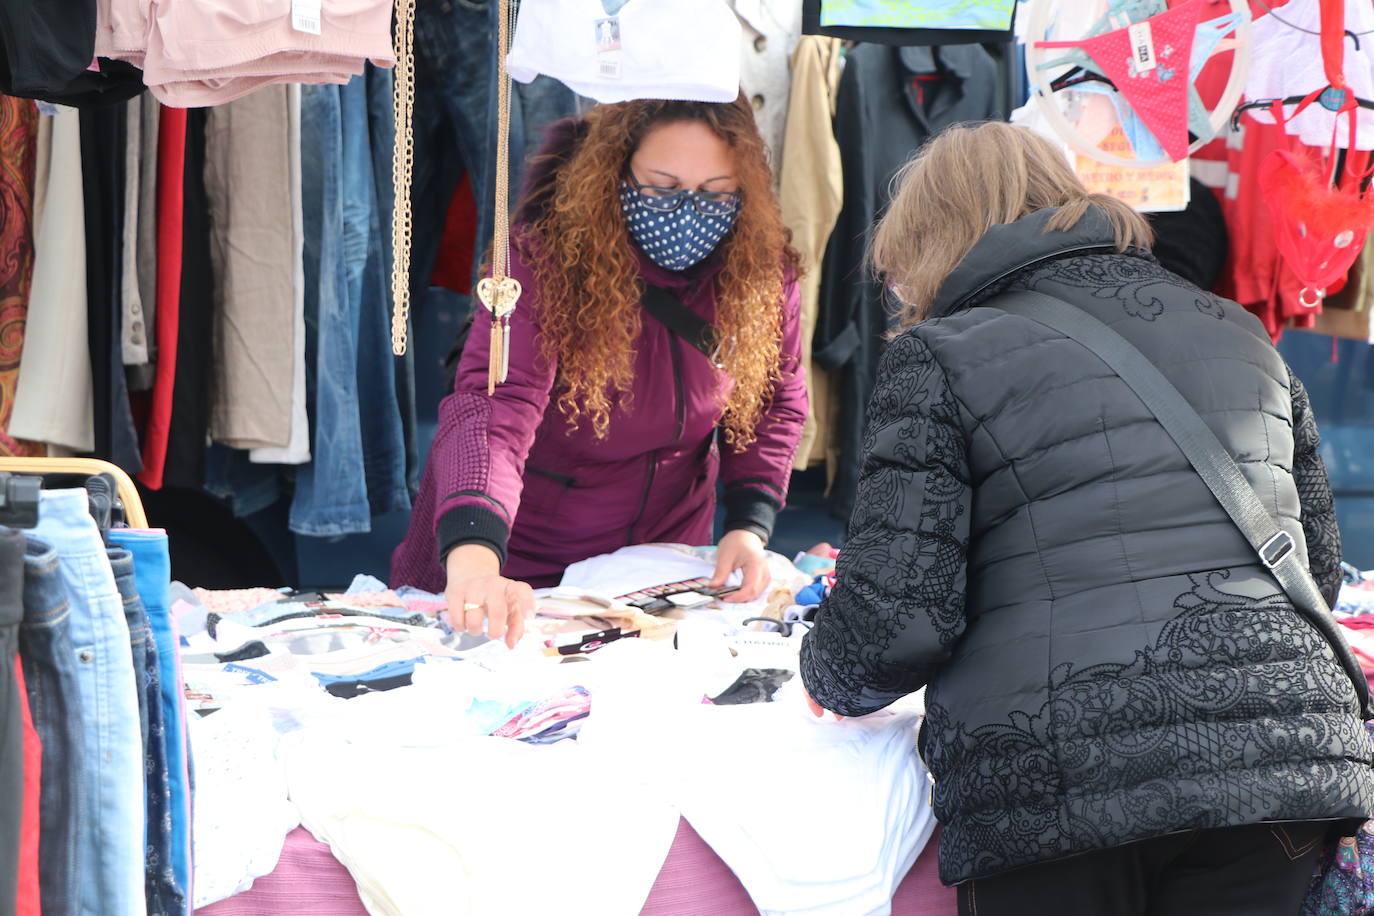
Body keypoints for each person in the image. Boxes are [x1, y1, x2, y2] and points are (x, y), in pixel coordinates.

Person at [799, 121, 1374, 916]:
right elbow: (1313, 565)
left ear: (933, 246)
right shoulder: (1240, 333)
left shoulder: (939, 353)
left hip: (1060, 782)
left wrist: (822, 672)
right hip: (1282, 766)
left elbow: (895, 625)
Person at [392, 96, 806, 649]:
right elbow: (495, 409)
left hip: (656, 577)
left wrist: (748, 525)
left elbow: (774, 398)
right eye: (662, 186)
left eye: (714, 193)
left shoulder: (762, 271)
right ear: (616, 173)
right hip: (521, 566)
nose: (687, 210)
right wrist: (475, 561)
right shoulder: (540, 262)